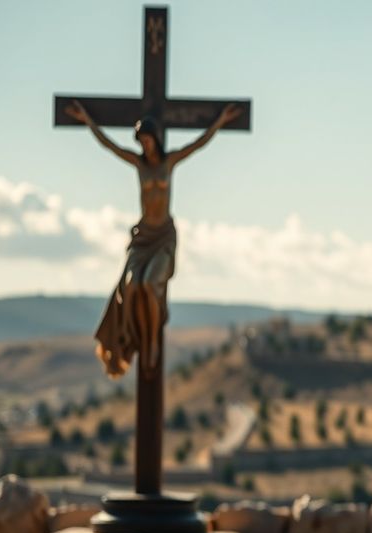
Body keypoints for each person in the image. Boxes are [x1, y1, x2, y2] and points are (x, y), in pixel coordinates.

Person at [66, 100, 241, 377]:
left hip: (163, 238)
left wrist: (219, 122)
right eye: (141, 141)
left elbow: (198, 144)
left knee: (149, 285)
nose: (145, 145)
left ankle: (150, 342)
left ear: (156, 139)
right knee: (132, 285)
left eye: (148, 140)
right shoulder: (138, 164)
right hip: (143, 237)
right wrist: (87, 119)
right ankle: (136, 338)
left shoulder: (169, 162)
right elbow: (109, 146)